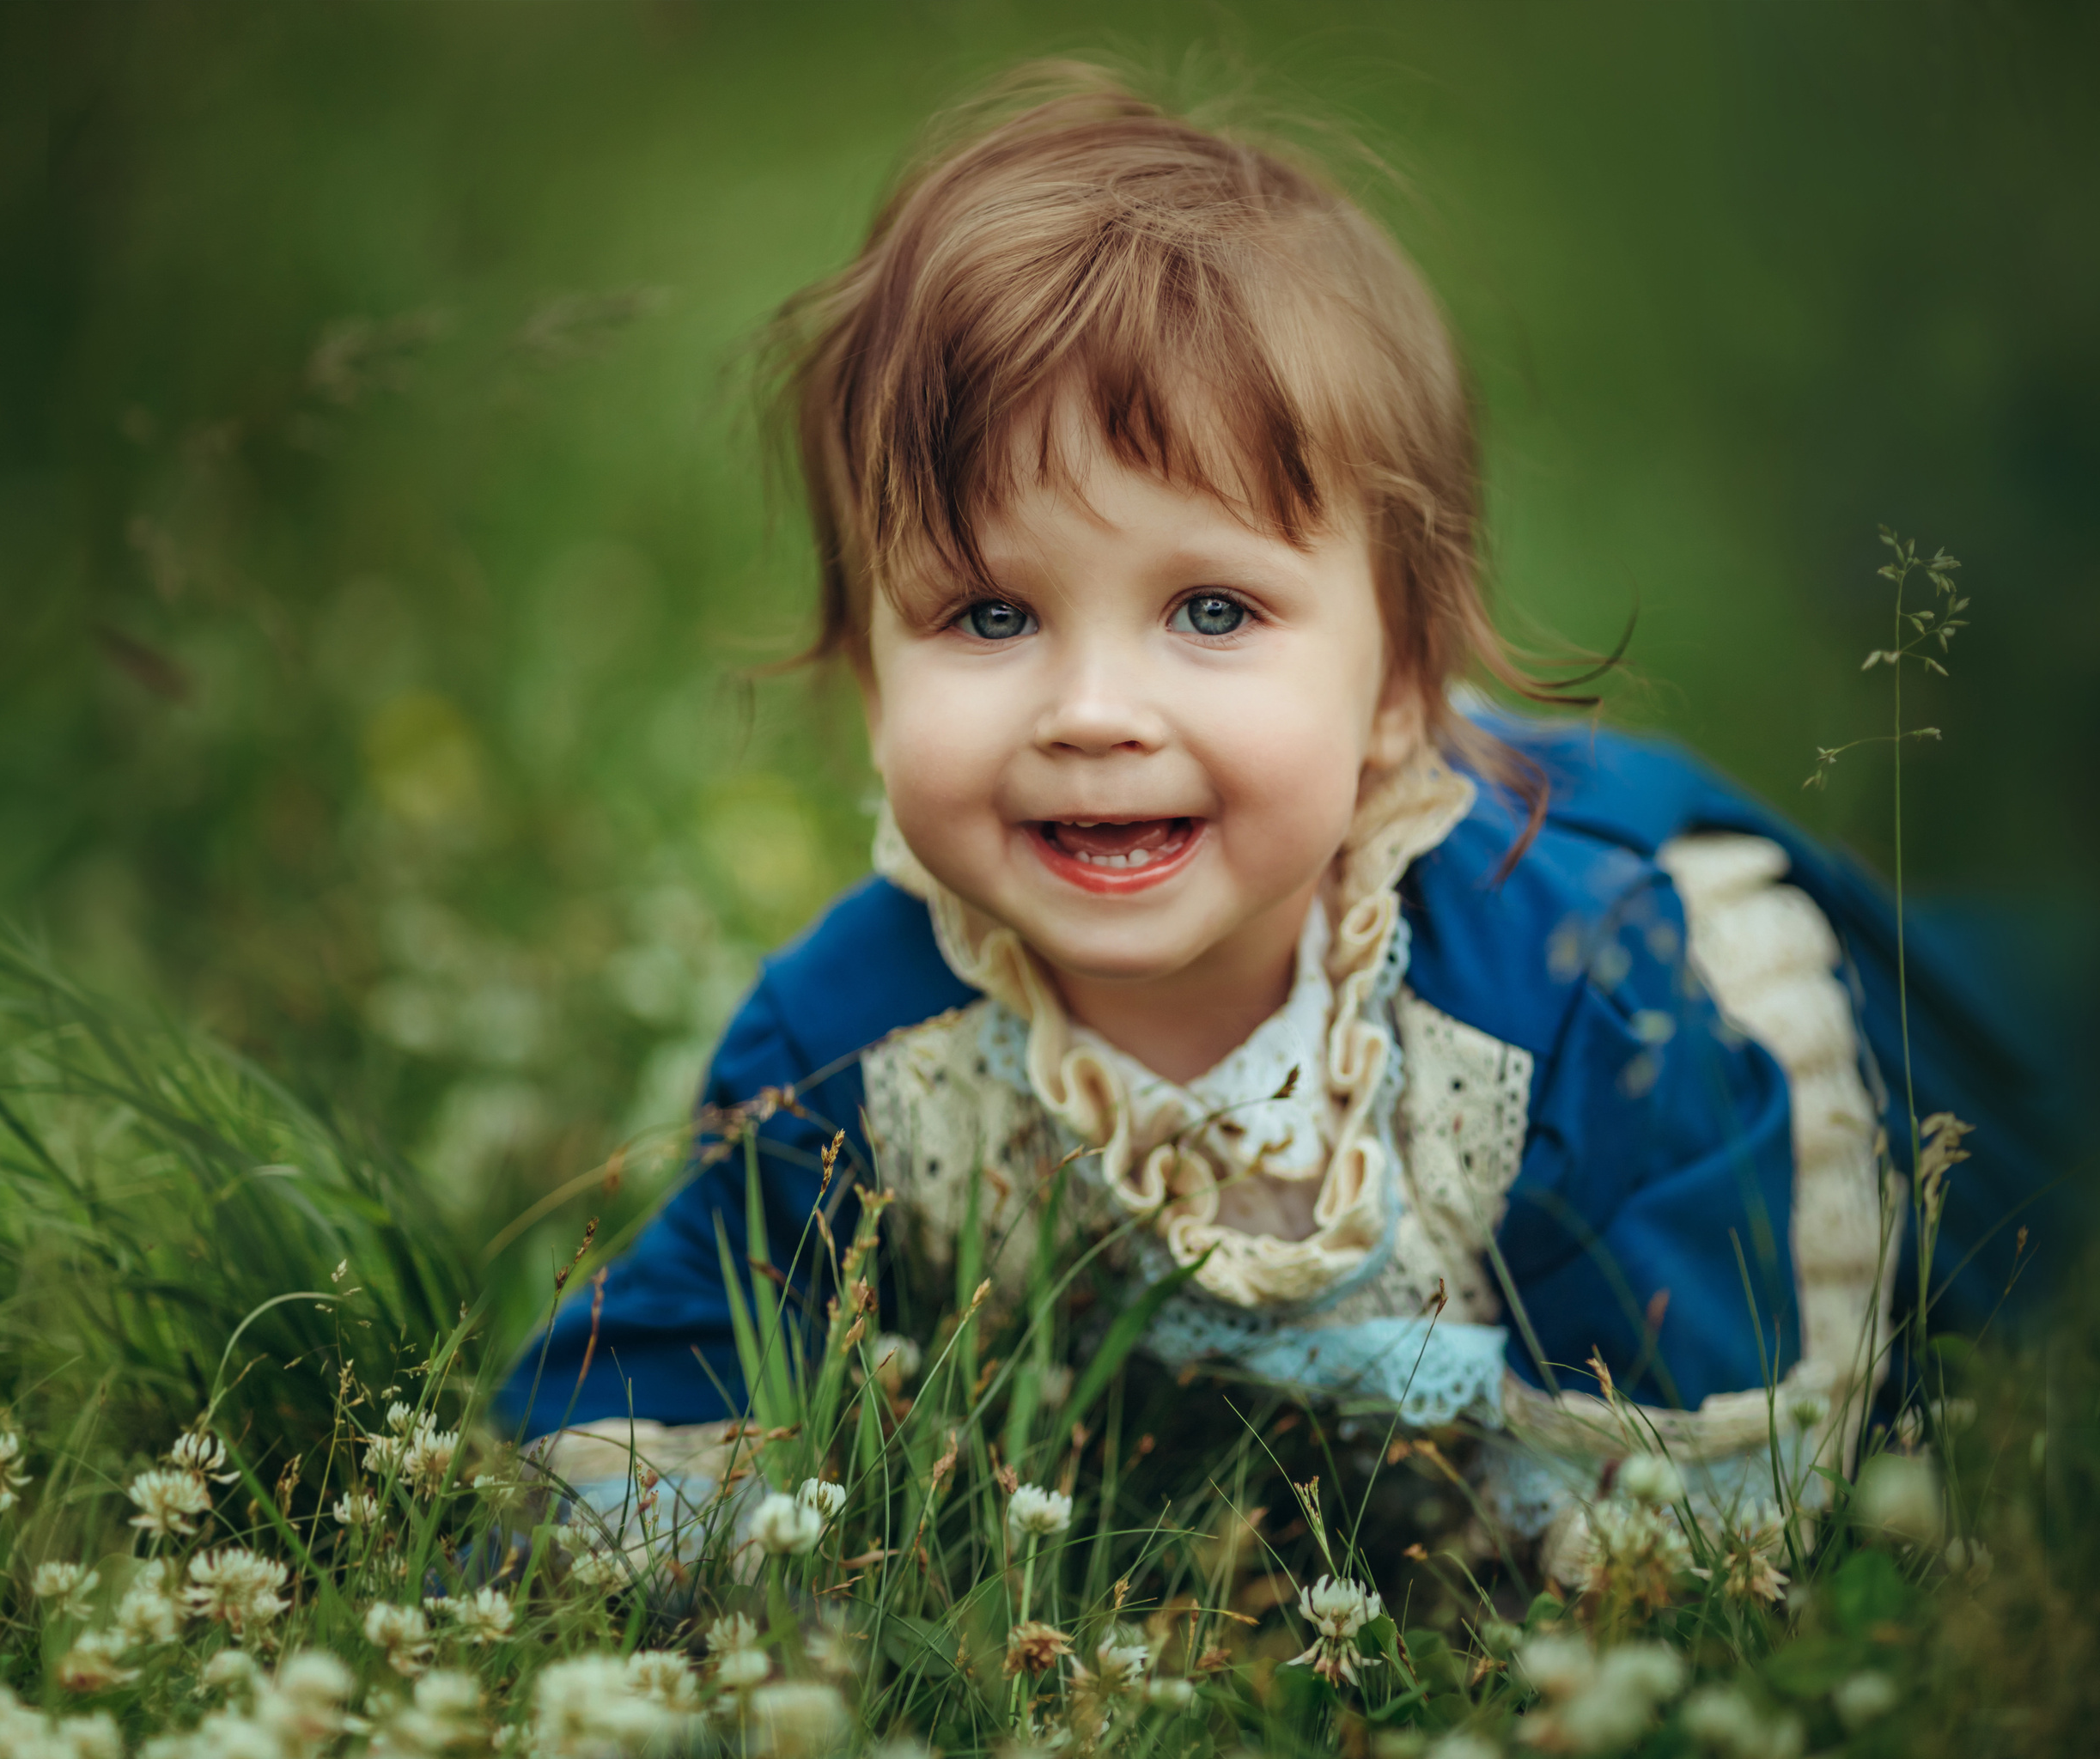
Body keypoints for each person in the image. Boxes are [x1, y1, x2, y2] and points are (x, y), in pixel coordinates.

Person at [496, 68, 2060, 1554]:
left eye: (1213, 610)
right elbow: (655, 1393)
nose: (1092, 712)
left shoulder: (1587, 998)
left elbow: (1704, 1456)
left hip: (1898, 1078)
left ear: (1401, 690)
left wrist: (1542, 1585)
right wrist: (635, 1553)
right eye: (986, 616)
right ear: (865, 673)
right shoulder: (848, 1041)